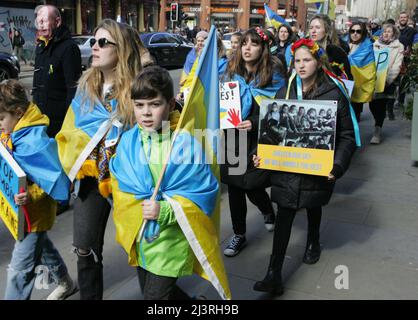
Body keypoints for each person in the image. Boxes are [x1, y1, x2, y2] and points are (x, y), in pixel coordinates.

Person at [109, 66, 230, 300]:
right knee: (155, 293)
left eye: (154, 104)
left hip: (171, 241)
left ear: (171, 105)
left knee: (154, 298)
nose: (145, 113)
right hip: (140, 235)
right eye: (139, 105)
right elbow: (121, 181)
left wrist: (165, 210)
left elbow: (204, 194)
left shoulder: (184, 145)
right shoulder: (129, 140)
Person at [252, 38, 357, 298]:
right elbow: (270, 130)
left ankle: (313, 241)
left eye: (306, 60)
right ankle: (273, 273)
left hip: (317, 167)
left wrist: (338, 164)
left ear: (318, 61)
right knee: (285, 212)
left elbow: (346, 136)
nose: (301, 65)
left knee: (313, 204)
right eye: (296, 61)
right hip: (287, 167)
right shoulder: (284, 92)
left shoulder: (334, 92)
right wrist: (259, 154)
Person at [56, 19, 142, 300]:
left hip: (127, 180)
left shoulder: (138, 89)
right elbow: (69, 132)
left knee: (143, 247)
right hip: (91, 180)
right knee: (84, 248)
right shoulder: (85, 88)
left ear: (122, 50)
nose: (94, 46)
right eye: (94, 41)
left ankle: (174, 300)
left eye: (103, 42)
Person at [0, 79, 75, 300]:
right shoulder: (14, 130)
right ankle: (65, 283)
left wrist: (30, 195)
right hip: (24, 215)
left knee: (19, 270)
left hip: (34, 213)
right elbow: (11, 163)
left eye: (0, 118)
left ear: (19, 112)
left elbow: (53, 180)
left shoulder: (36, 143)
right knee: (42, 248)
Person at [221, 27, 286, 257]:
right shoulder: (229, 72)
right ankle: (239, 234)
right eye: (244, 43)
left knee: (253, 184)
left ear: (263, 48)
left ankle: (267, 209)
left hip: (259, 140)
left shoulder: (275, 76)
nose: (247, 48)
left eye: (254, 43)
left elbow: (281, 111)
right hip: (232, 138)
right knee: (235, 187)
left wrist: (255, 122)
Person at [32, 5, 82, 138]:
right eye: (38, 22)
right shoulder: (41, 46)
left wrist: (68, 123)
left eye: (44, 21)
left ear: (57, 21)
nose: (40, 26)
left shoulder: (69, 48)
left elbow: (73, 89)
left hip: (59, 123)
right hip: (40, 119)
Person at [369, 23, 404, 144]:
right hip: (373, 80)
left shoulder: (399, 47)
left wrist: (388, 80)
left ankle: (377, 130)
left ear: (394, 34)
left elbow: (397, 65)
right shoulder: (375, 45)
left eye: (389, 31)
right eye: (384, 31)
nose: (386, 33)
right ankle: (378, 120)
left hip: (387, 81)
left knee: (381, 104)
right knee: (372, 105)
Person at [309, 14, 353, 80]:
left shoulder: (337, 53)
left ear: (326, 31)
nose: (313, 31)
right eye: (311, 27)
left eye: (317, 27)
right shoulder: (304, 49)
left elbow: (348, 79)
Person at [348, 22, 376, 121]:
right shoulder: (343, 44)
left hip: (358, 84)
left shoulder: (367, 47)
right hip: (344, 82)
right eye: (353, 31)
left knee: (354, 115)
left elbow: (370, 69)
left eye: (358, 31)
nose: (355, 33)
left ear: (363, 33)